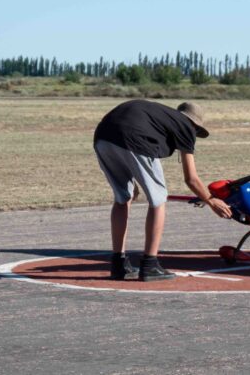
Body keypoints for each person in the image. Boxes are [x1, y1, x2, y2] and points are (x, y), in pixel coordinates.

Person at [93, 100, 232, 281]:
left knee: (123, 197)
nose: (195, 135)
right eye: (197, 131)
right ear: (194, 124)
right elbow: (191, 178)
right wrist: (210, 200)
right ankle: (150, 264)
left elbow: (128, 126)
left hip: (103, 137)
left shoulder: (161, 117)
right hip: (134, 138)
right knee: (158, 199)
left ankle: (118, 265)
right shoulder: (185, 127)